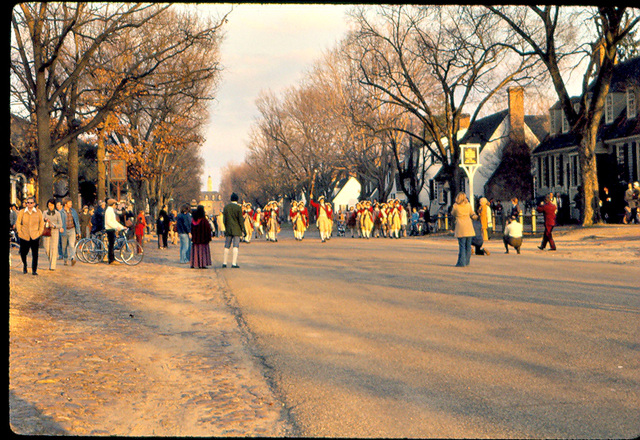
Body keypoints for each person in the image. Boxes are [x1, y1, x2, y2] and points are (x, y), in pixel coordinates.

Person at [16, 196, 44, 275]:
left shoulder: (38, 212)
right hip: (24, 235)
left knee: (35, 254)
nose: (29, 204)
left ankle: (34, 270)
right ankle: (25, 265)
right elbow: (18, 222)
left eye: (31, 203)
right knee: (23, 252)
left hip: (35, 235)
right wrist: (19, 232)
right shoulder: (22, 212)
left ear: (34, 204)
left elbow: (41, 223)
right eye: (27, 203)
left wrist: (39, 232)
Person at [451, 192, 477, 267]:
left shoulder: (456, 206)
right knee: (468, 246)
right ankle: (467, 262)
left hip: (460, 225)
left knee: (462, 245)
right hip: (468, 225)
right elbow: (472, 213)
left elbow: (453, 213)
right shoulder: (468, 205)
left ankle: (461, 262)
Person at [222, 193, 245, 268]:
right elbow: (241, 220)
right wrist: (243, 229)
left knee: (227, 246)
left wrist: (226, 227)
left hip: (228, 229)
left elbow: (224, 220)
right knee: (235, 246)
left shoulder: (226, 207)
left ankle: (224, 263)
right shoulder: (238, 208)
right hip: (236, 229)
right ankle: (234, 263)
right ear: (237, 199)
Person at [42, 199, 62, 270]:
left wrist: (54, 226)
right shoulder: (44, 213)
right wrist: (45, 220)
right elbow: (41, 221)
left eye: (52, 205)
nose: (50, 207)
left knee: (54, 248)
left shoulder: (57, 214)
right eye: (49, 205)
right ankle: (51, 261)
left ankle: (52, 266)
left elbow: (60, 224)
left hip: (54, 231)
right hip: (46, 231)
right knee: (47, 248)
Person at [60, 197, 80, 266]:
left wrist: (78, 232)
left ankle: (72, 257)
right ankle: (65, 259)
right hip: (64, 231)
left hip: (72, 229)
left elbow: (76, 222)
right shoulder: (61, 212)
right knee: (64, 246)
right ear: (65, 204)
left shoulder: (73, 211)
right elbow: (59, 223)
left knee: (72, 245)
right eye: (69, 203)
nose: (71, 204)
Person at [105, 198, 126, 264]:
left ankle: (112, 258)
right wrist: (116, 227)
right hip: (109, 229)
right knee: (111, 245)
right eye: (115, 204)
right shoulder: (109, 210)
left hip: (112, 228)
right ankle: (111, 260)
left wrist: (121, 226)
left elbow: (114, 221)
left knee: (112, 244)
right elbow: (109, 222)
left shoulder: (111, 210)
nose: (116, 205)